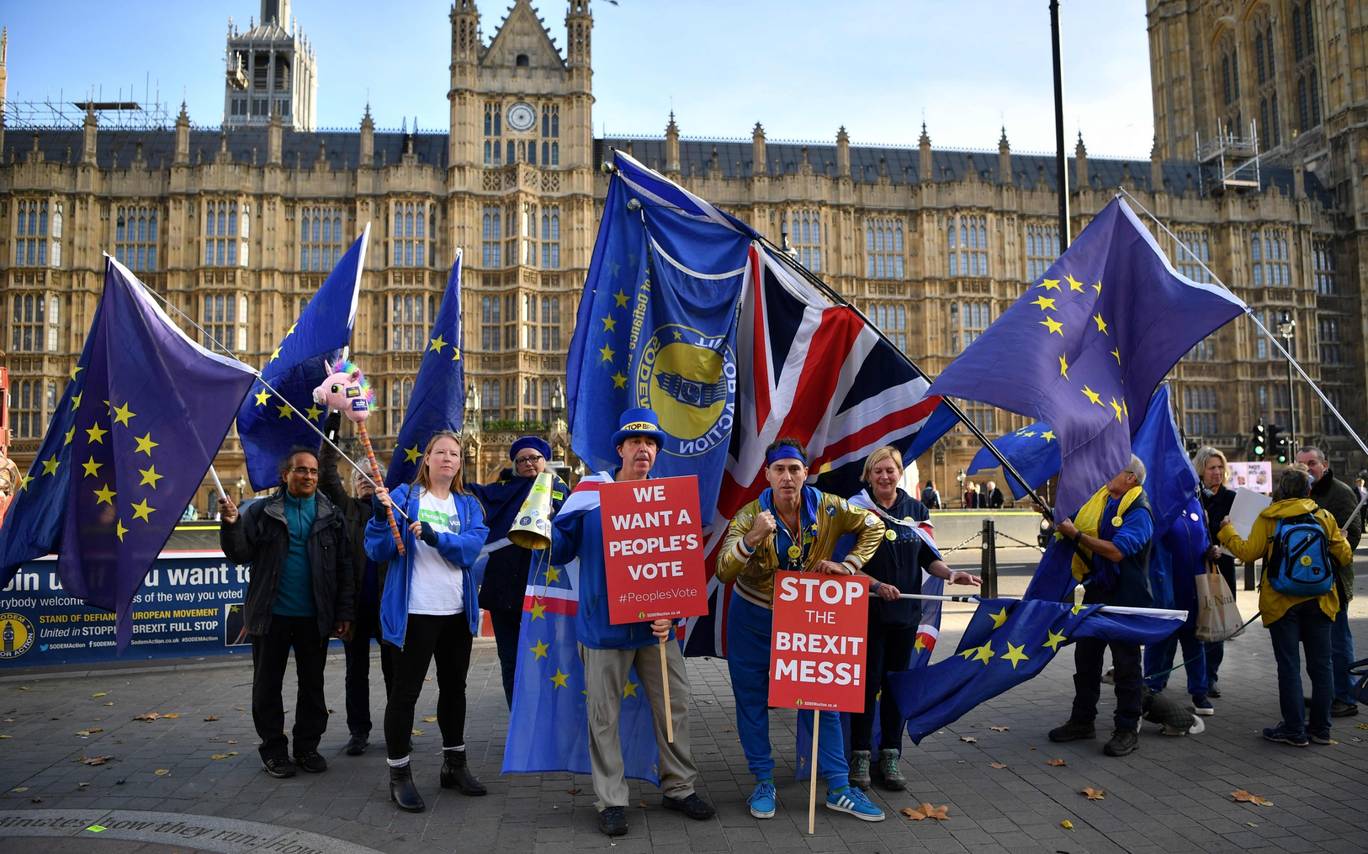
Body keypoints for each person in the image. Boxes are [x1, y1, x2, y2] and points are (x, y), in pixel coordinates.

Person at [548, 409, 715, 837]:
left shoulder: (668, 498)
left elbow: (681, 566)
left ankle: (679, 787)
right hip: (603, 627)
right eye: (635, 442)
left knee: (673, 706)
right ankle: (611, 799)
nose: (644, 449)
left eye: (652, 443)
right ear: (619, 449)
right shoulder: (589, 494)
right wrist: (545, 518)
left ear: (657, 452)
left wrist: (673, 612)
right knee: (603, 716)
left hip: (656, 629)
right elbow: (560, 550)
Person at [717, 438, 889, 823]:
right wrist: (750, 540)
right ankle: (763, 782)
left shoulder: (828, 506)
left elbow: (874, 526)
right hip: (754, 619)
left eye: (794, 469)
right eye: (779, 470)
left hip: (806, 616)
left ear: (805, 473)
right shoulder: (750, 516)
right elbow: (724, 570)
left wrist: (850, 564)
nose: (787, 477)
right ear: (767, 475)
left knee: (822, 697)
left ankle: (840, 787)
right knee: (752, 700)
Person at [367, 431, 490, 813]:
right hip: (414, 614)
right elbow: (376, 548)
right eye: (440, 452)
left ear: (460, 462)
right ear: (427, 460)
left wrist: (437, 537)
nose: (448, 458)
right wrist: (379, 515)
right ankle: (399, 774)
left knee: (455, 691)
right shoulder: (404, 498)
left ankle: (454, 765)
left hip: (454, 613)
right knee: (404, 695)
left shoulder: (469, 506)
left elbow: (470, 550)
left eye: (455, 453)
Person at [847, 446, 980, 790]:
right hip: (868, 614)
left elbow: (927, 558)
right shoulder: (855, 510)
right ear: (868, 475)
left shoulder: (916, 510)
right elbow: (845, 567)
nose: (885, 476)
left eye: (890, 470)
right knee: (866, 687)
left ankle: (890, 754)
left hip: (905, 617)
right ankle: (860, 755)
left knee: (897, 688)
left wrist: (952, 575)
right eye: (878, 470)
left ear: (899, 472)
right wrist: (876, 585)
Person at [219, 448, 354, 779]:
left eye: (312, 471)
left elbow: (344, 567)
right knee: (267, 685)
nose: (308, 476)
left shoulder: (331, 514)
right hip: (271, 612)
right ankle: (274, 750)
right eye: (301, 470)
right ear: (285, 475)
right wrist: (231, 524)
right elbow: (240, 553)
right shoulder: (262, 511)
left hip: (314, 615)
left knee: (313, 685)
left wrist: (343, 611)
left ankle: (307, 747)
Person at [1218, 465, 1352, 746]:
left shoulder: (1269, 518)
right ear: (1309, 490)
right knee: (1322, 666)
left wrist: (1227, 530)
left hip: (1281, 603)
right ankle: (1321, 729)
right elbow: (1344, 556)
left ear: (1281, 491)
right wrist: (1343, 540)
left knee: (1289, 666)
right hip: (1320, 600)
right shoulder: (1323, 516)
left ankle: (1294, 730)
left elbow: (1247, 552)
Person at [1047, 455, 1154, 757]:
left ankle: (1126, 728)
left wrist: (1077, 535)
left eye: (1115, 468)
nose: (1106, 471)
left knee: (1126, 665)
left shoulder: (1139, 510)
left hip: (1125, 597)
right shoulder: (1102, 501)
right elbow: (1077, 525)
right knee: (1087, 659)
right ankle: (1082, 720)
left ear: (1131, 478)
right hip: (1096, 591)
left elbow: (1118, 551)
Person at [470, 435, 567, 708]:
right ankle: (518, 717)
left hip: (545, 590)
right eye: (522, 459)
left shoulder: (558, 490)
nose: (528, 463)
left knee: (548, 659)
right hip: (504, 591)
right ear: (514, 464)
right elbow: (470, 494)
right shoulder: (500, 491)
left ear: (544, 460)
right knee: (510, 660)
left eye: (534, 458)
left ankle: (548, 714)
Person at [319, 416, 393, 756]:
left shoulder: (394, 515)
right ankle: (358, 732)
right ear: (353, 484)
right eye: (360, 477)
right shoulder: (346, 509)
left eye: (372, 477)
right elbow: (326, 473)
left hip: (388, 606)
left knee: (395, 673)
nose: (366, 482)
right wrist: (332, 424)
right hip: (354, 607)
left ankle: (398, 731)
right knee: (355, 674)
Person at [1294, 447, 1360, 718]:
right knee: (1319, 644)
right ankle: (1329, 692)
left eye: (1312, 463)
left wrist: (1331, 544)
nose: (1307, 469)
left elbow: (1352, 537)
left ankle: (1345, 697)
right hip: (1308, 580)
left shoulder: (1341, 492)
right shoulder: (1301, 492)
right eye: (1301, 465)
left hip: (1333, 579)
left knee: (1337, 642)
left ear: (1324, 464)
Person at [1195, 446, 1236, 700]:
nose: (1217, 472)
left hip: (1222, 570)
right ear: (1201, 469)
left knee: (1216, 630)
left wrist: (1228, 536)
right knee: (1193, 629)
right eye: (1212, 468)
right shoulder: (1193, 496)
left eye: (1221, 467)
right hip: (1194, 568)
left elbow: (1243, 537)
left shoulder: (1232, 499)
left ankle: (1210, 677)